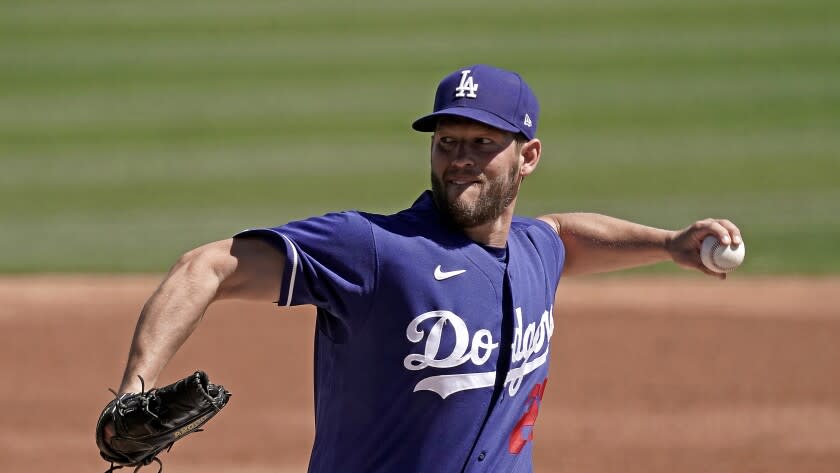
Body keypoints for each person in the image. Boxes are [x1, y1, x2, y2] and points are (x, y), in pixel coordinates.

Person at [113, 64, 742, 472]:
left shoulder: (531, 253)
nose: (459, 161)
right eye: (446, 143)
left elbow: (563, 235)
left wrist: (668, 242)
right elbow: (209, 266)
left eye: (482, 144)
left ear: (529, 157)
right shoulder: (376, 249)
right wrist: (134, 391)